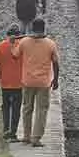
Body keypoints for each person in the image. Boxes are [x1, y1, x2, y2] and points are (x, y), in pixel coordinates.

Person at [12, 18, 60, 148]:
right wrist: (55, 79)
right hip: (44, 82)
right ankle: (36, 138)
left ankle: (26, 136)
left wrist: (13, 43)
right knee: (41, 110)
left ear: (32, 28)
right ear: (44, 29)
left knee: (27, 108)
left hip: (27, 81)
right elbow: (56, 63)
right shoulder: (50, 44)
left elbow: (15, 56)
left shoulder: (24, 42)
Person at [0, 24, 26, 141]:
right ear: (19, 36)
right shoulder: (22, 47)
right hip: (19, 83)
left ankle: (6, 129)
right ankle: (13, 133)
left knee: (6, 107)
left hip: (5, 83)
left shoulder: (1, 46)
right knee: (16, 109)